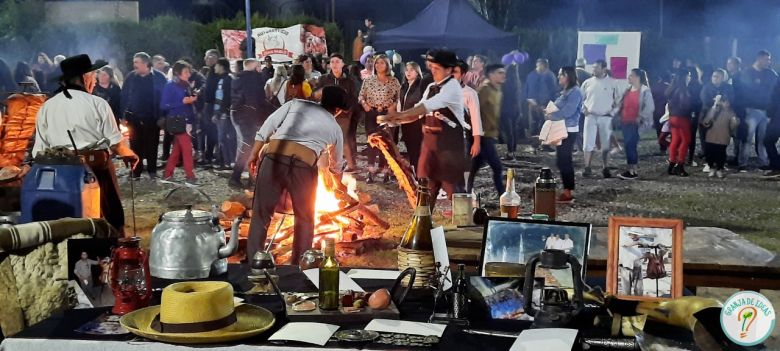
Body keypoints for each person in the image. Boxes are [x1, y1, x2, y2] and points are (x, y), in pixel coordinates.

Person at [33, 54, 139, 233]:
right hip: (95, 169)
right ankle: (113, 244)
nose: (96, 81)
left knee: (65, 222)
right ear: (84, 78)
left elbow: (39, 151)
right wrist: (130, 154)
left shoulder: (46, 107)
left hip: (59, 173)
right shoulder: (98, 103)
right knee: (111, 217)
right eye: (93, 76)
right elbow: (116, 144)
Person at [246, 86, 348, 264]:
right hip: (303, 167)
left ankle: (254, 262)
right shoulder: (335, 128)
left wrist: (253, 154)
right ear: (338, 110)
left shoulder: (295, 104)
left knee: (261, 214)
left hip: (273, 159)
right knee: (305, 218)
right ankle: (299, 265)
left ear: (321, 99)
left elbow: (267, 127)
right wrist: (338, 184)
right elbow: (336, 166)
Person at [379, 49, 469, 209]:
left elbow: (424, 108)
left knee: (452, 188)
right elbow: (417, 113)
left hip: (449, 145)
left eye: (437, 68)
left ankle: (466, 222)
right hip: (429, 143)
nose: (433, 71)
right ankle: (423, 221)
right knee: (426, 185)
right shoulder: (431, 87)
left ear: (448, 70)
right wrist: (395, 121)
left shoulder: (452, 88)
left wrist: (395, 115)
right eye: (431, 67)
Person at [121, 52, 167, 180]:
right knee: (135, 145)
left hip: (153, 118)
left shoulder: (159, 77)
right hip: (134, 117)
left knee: (152, 145)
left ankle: (152, 171)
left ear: (146, 63)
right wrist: (122, 116)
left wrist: (163, 116)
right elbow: (124, 96)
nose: (134, 65)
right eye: (134, 62)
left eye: (137, 62)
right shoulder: (131, 77)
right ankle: (136, 171)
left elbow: (165, 98)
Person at [359, 54, 401, 183]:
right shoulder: (368, 80)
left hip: (387, 114)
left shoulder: (393, 81)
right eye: (377, 63)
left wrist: (392, 106)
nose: (379, 65)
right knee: (372, 142)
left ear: (387, 65)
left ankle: (385, 171)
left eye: (382, 63)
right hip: (372, 113)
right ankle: (370, 171)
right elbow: (361, 96)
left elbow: (398, 97)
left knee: (386, 143)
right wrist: (365, 105)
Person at [734, 50, 777, 172]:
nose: (768, 62)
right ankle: (743, 163)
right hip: (751, 110)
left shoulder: (771, 74)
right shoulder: (746, 73)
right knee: (747, 137)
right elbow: (741, 92)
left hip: (766, 111)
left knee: (763, 139)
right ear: (759, 58)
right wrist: (744, 108)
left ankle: (764, 162)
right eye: (767, 59)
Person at [230, 58, 270, 189]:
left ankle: (247, 177)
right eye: (259, 66)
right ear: (256, 67)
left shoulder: (238, 78)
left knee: (248, 145)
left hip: (238, 115)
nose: (261, 69)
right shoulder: (253, 79)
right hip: (247, 117)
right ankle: (238, 177)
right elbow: (256, 100)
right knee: (249, 146)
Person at [546, 66, 583, 204]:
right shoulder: (565, 92)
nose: (558, 77)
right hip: (561, 128)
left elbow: (568, 111)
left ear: (568, 76)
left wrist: (552, 115)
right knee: (561, 160)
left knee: (565, 160)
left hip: (569, 130)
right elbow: (558, 107)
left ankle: (568, 191)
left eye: (561, 74)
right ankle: (567, 189)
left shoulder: (575, 92)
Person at [317, 53, 358, 171]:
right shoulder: (324, 79)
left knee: (342, 138)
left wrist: (346, 110)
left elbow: (353, 97)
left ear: (342, 64)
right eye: (332, 62)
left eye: (337, 61)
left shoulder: (349, 80)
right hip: (326, 115)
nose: (334, 64)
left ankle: (350, 164)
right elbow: (317, 94)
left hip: (344, 116)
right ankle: (326, 166)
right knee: (325, 139)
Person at [472, 63, 508, 196]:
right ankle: (502, 195)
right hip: (483, 135)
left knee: (475, 166)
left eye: (503, 72)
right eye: (500, 73)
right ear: (491, 75)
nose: (503, 75)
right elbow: (473, 109)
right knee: (497, 167)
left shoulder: (497, 89)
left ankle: (464, 190)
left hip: (490, 134)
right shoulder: (484, 90)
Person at [160, 61, 199, 185]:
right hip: (177, 121)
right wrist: (182, 102)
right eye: (186, 72)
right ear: (178, 72)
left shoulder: (186, 85)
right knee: (187, 149)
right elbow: (164, 105)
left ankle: (167, 173)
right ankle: (190, 176)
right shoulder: (170, 86)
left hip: (187, 121)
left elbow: (187, 101)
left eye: (189, 71)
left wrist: (192, 99)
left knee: (177, 149)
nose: (189, 74)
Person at [580, 60, 620, 178]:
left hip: (605, 117)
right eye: (593, 68)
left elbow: (619, 101)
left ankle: (605, 167)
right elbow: (580, 98)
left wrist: (612, 113)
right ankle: (587, 167)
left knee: (605, 144)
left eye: (596, 68)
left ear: (604, 69)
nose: (593, 70)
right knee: (588, 142)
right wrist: (584, 109)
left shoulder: (613, 83)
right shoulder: (587, 83)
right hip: (590, 116)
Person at [616, 69, 654, 180]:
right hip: (625, 121)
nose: (629, 77)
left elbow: (650, 107)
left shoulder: (645, 91)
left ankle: (632, 171)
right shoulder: (628, 90)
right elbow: (622, 103)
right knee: (628, 146)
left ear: (637, 78)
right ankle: (631, 169)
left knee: (630, 145)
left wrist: (641, 116)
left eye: (631, 75)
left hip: (635, 123)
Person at [699, 69, 734, 173]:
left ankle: (720, 163)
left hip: (723, 118)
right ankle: (708, 163)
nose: (715, 78)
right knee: (707, 140)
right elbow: (704, 100)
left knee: (721, 141)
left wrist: (722, 103)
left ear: (723, 78)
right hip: (708, 116)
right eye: (714, 76)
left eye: (718, 76)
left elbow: (731, 100)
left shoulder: (728, 88)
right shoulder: (706, 87)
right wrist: (717, 102)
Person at [701, 95, 739, 178]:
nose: (726, 103)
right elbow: (706, 122)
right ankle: (711, 168)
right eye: (724, 101)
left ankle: (719, 169)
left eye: (727, 102)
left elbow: (733, 127)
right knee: (709, 154)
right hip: (711, 136)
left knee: (721, 155)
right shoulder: (714, 110)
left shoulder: (731, 112)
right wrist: (714, 106)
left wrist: (735, 123)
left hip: (723, 137)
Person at [666, 69, 695, 176]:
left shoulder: (672, 88)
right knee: (686, 140)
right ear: (685, 77)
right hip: (682, 118)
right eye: (689, 75)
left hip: (673, 117)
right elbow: (685, 104)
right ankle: (680, 165)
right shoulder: (683, 89)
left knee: (675, 140)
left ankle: (672, 162)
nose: (690, 77)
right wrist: (691, 110)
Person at [398, 62, 425, 168]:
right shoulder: (404, 86)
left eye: (411, 70)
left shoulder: (421, 86)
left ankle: (419, 173)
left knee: (416, 148)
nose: (408, 72)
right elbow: (401, 103)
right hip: (405, 122)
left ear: (417, 72)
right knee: (410, 147)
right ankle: (415, 170)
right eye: (407, 69)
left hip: (416, 122)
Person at [524, 58, 558, 138]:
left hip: (544, 104)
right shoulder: (531, 75)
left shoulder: (550, 76)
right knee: (533, 122)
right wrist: (528, 99)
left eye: (540, 65)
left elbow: (553, 91)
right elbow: (526, 88)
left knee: (544, 123)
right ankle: (534, 140)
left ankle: (543, 140)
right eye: (538, 65)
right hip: (533, 103)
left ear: (544, 65)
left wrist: (547, 103)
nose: (538, 67)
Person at [199, 49, 221, 168]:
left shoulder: (218, 72)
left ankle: (213, 157)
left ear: (216, 58)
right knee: (209, 131)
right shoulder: (210, 72)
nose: (207, 59)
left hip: (214, 106)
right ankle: (209, 155)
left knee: (214, 132)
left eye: (210, 57)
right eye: (206, 57)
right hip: (208, 105)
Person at [210, 58, 234, 171]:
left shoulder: (226, 79)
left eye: (216, 65)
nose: (215, 67)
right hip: (223, 114)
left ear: (221, 66)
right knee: (223, 138)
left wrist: (218, 114)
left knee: (222, 138)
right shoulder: (224, 79)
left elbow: (224, 99)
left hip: (223, 115)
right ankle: (226, 161)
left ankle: (227, 162)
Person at [651, 72, 671, 154]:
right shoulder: (669, 87)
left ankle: (663, 148)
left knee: (659, 130)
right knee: (668, 129)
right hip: (667, 111)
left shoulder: (654, 87)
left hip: (656, 111)